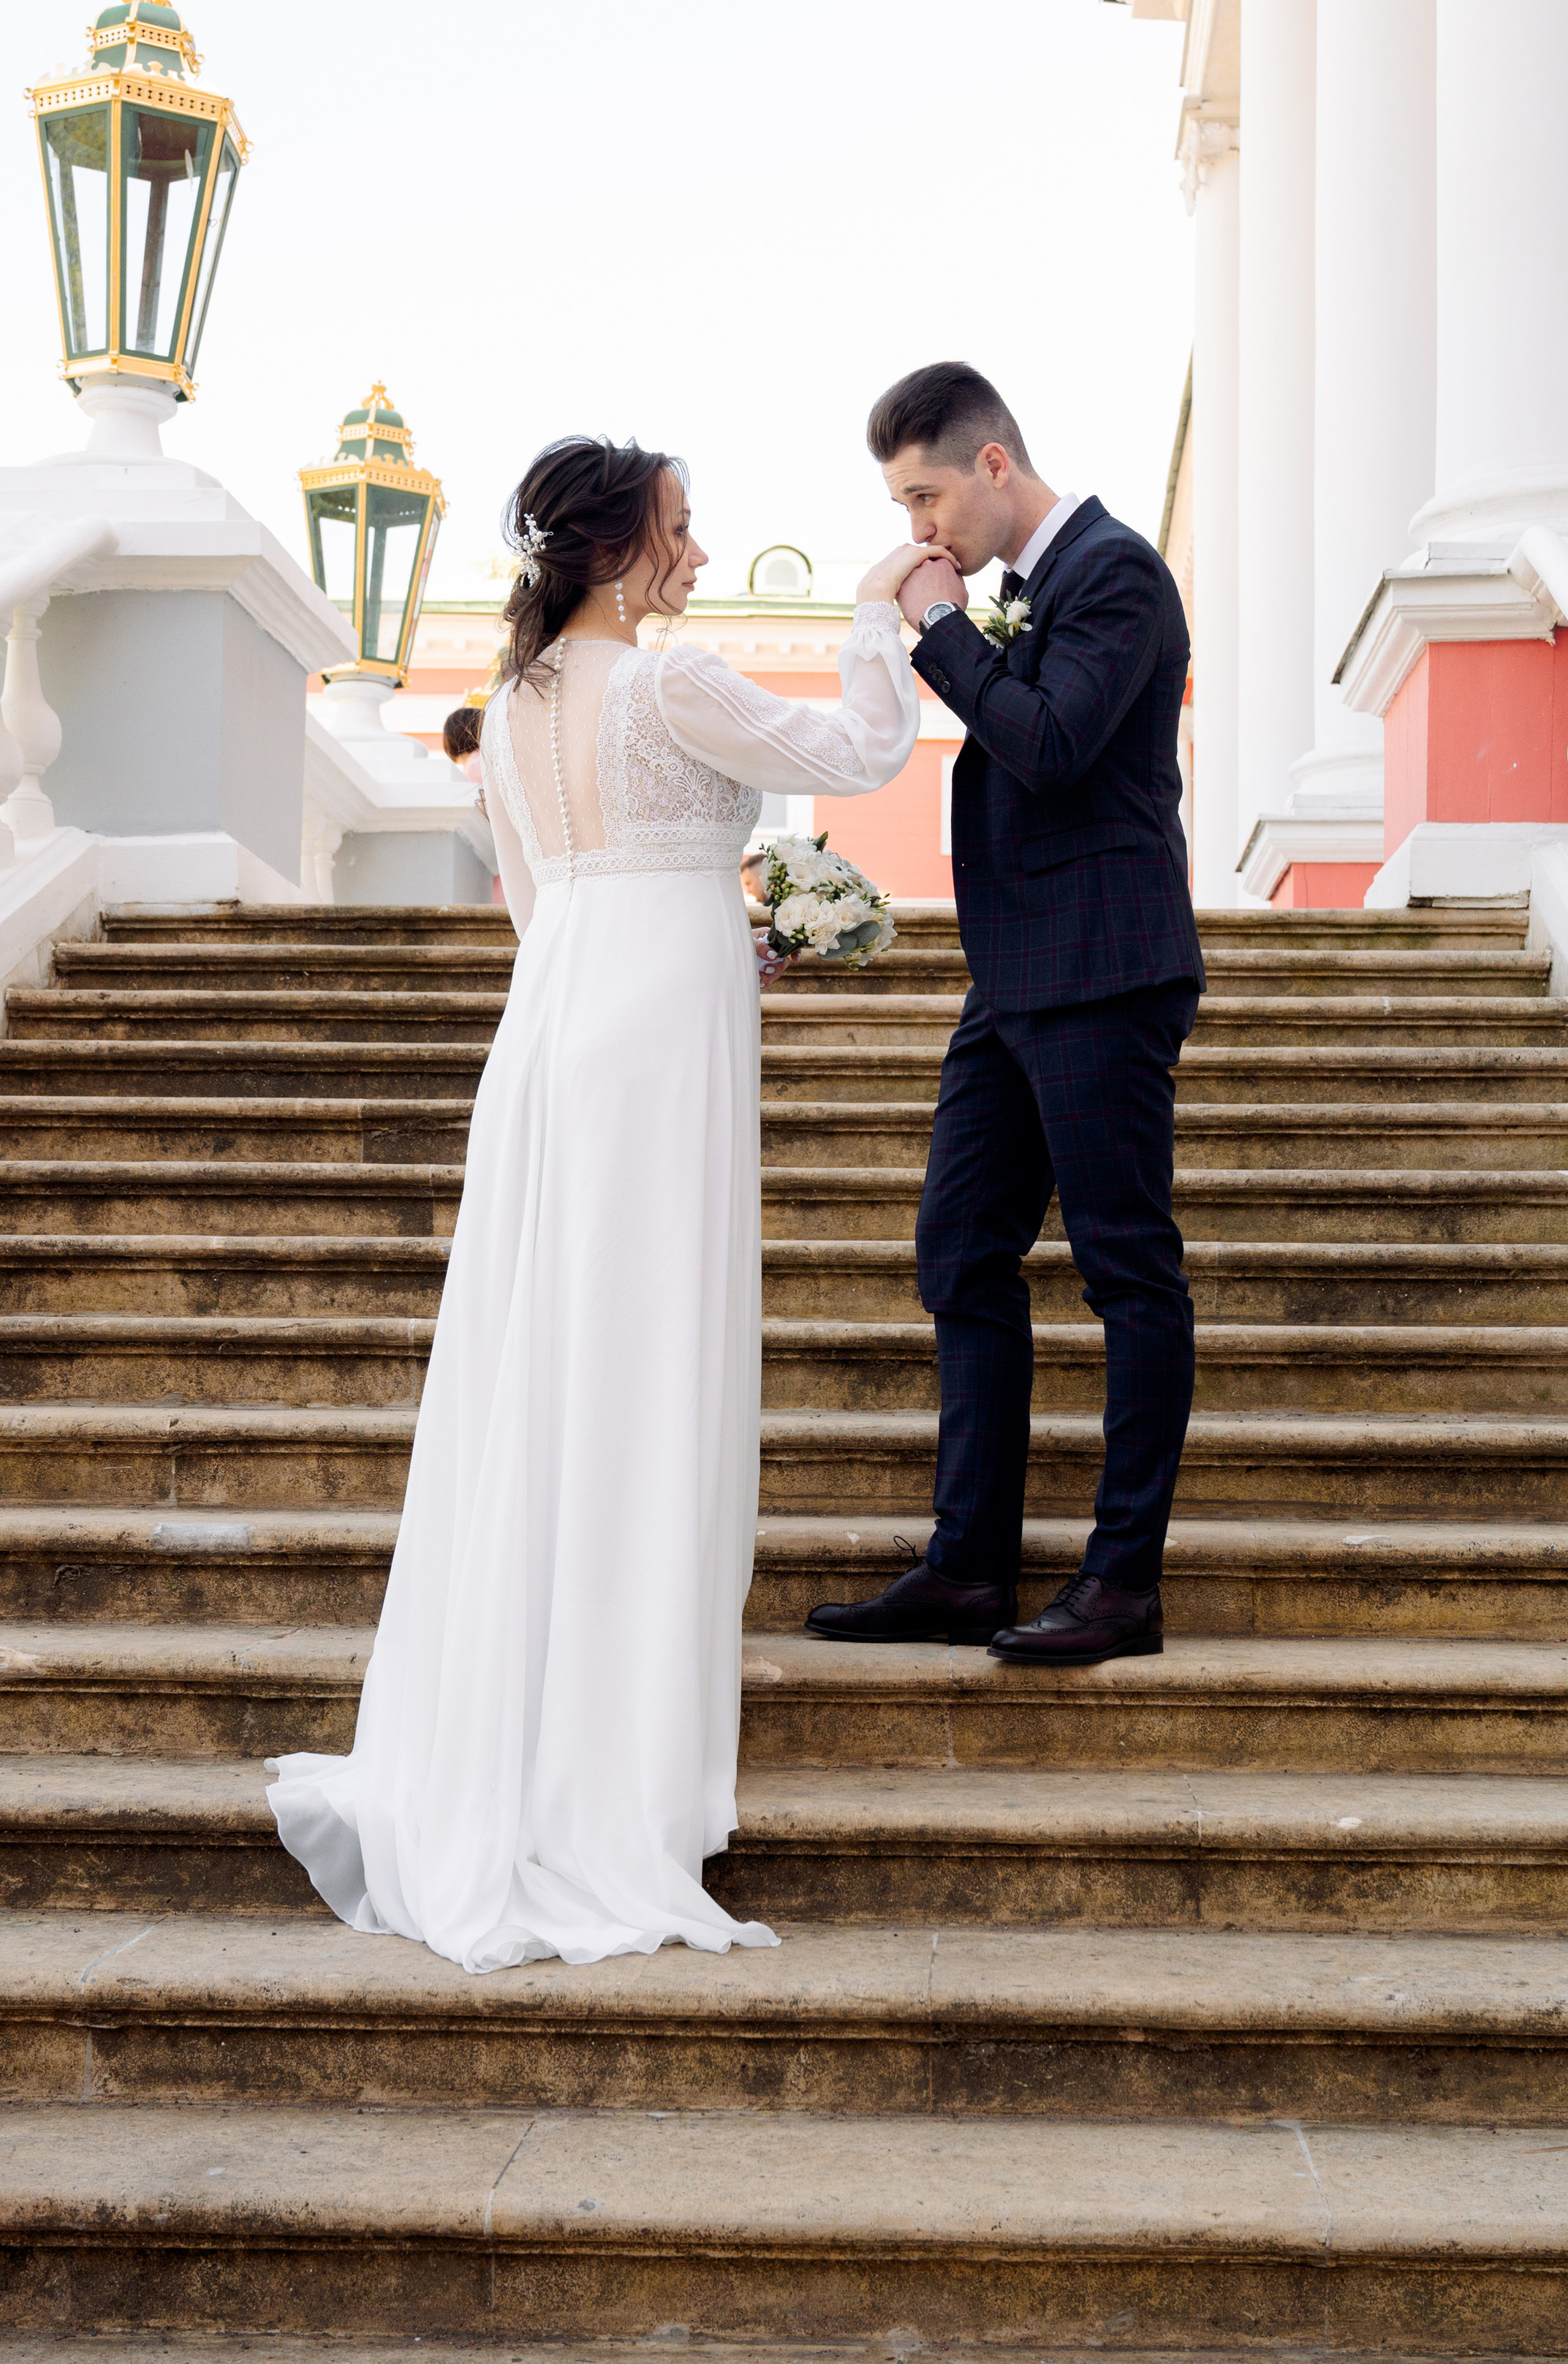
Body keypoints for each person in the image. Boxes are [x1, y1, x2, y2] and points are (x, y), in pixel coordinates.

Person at [268, 434, 925, 1970]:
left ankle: (534, 1738)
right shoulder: (660, 680)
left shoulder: (510, 704)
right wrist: (880, 613)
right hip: (649, 1035)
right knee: (645, 1377)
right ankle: (613, 1790)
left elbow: (536, 898)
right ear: (621, 544)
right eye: (681, 530)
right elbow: (855, 757)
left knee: (552, 1375)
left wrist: (700, 921)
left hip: (561, 1023)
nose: (696, 554)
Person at [806, 362, 1203, 1667]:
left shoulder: (1116, 572)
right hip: (1014, 975)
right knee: (960, 1254)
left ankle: (1123, 1584)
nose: (918, 527)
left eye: (925, 493)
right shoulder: (1031, 591)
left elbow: (1049, 741)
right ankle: (969, 1564)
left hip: (1101, 967)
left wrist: (938, 627)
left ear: (991, 464)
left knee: (1125, 1270)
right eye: (901, 504)